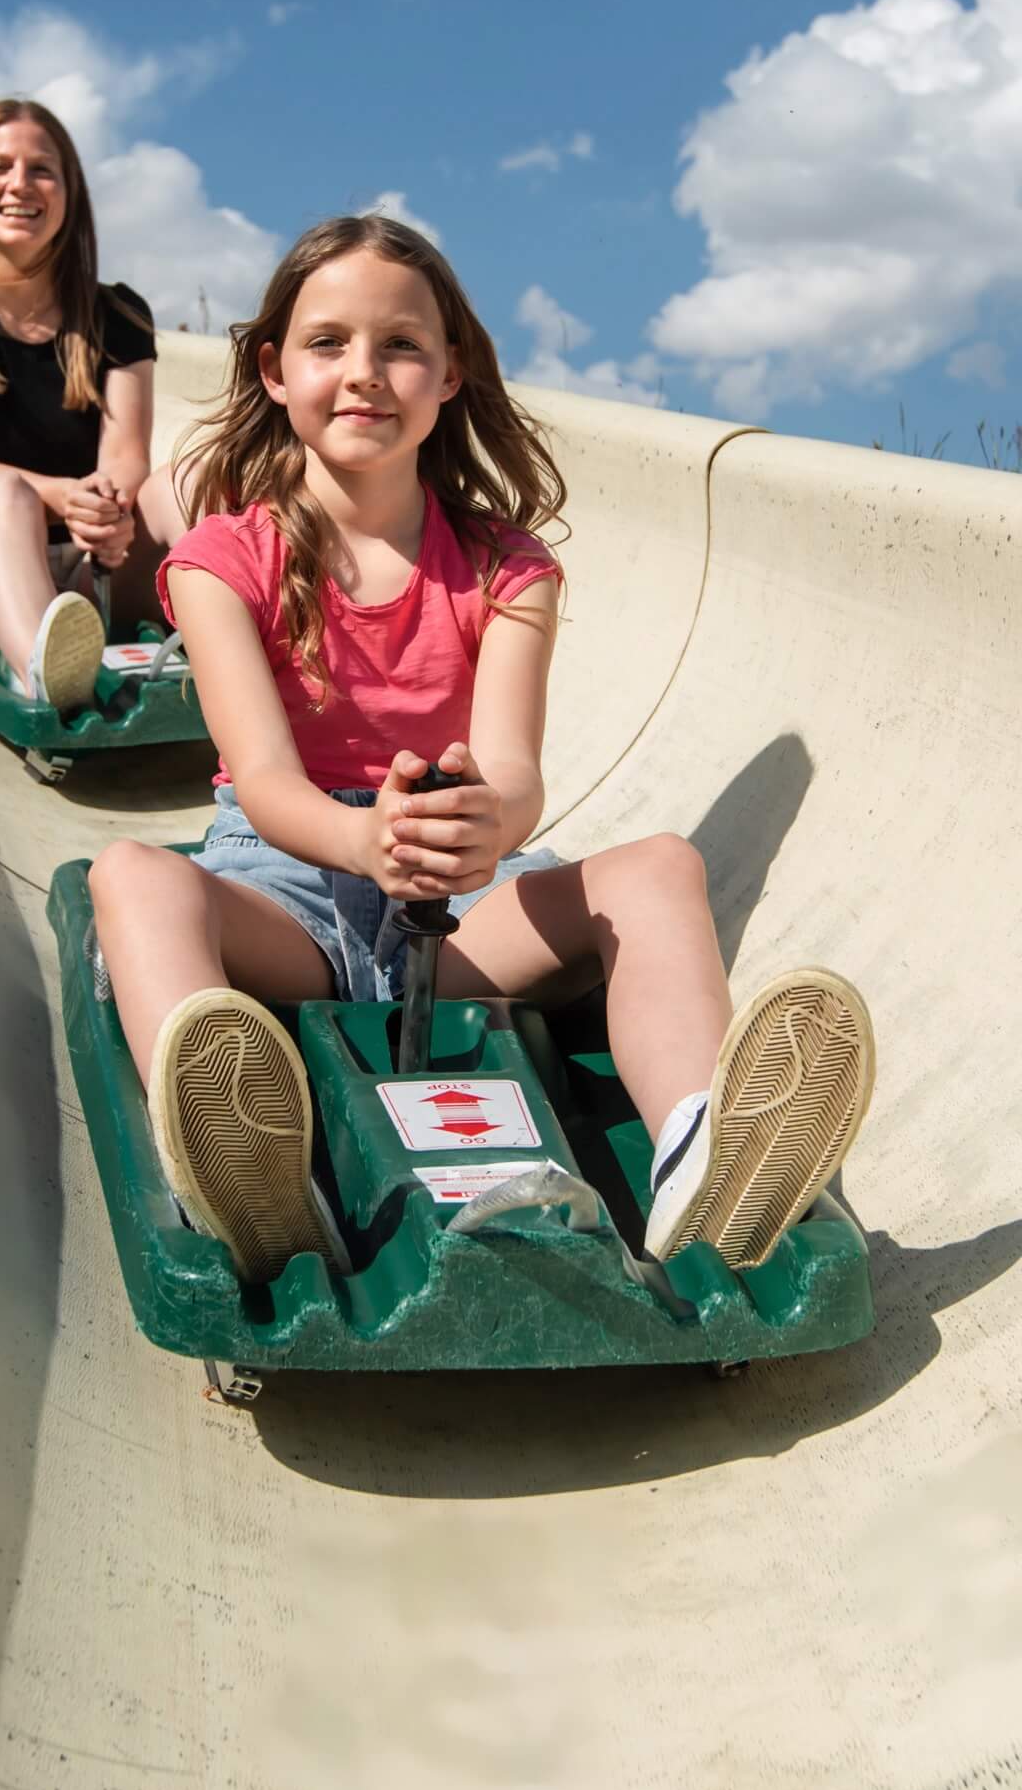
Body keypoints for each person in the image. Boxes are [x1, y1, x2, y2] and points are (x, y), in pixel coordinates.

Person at [89, 213, 875, 1286]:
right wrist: (362, 838)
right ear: (273, 371)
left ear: (450, 374)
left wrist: (477, 828)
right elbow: (265, 780)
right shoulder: (223, 559)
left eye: (401, 346)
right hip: (290, 892)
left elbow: (514, 775)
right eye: (328, 344)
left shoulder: (508, 570)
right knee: (132, 879)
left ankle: (702, 1153)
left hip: (459, 909)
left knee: (659, 871)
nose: (365, 374)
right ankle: (249, 1176)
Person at [0, 97, 178, 715]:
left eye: (43, 170)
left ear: (70, 197)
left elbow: (127, 456)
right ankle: (44, 673)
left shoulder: (118, 317)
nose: (21, 184)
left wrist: (106, 503)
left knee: (184, 480)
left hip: (86, 569)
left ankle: (254, 650)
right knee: (5, 493)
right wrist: (66, 497)